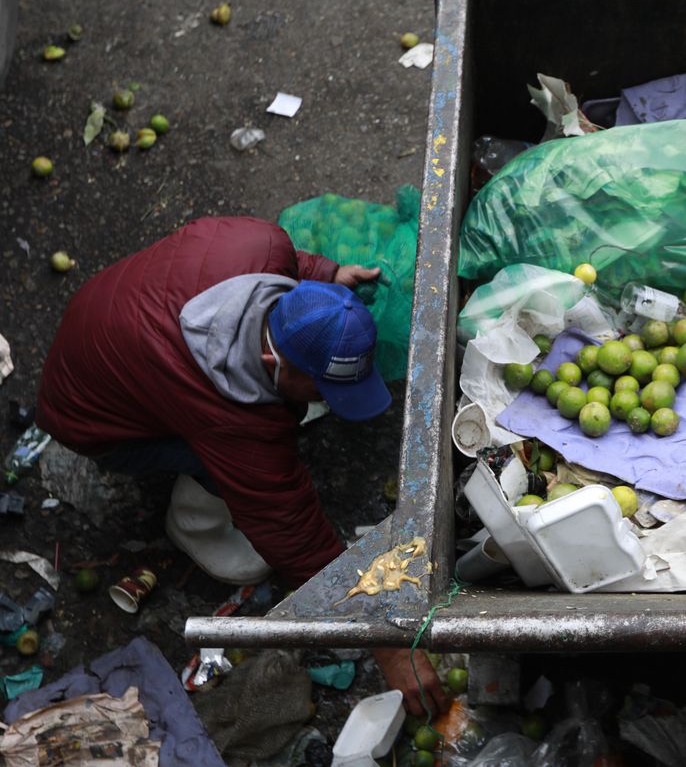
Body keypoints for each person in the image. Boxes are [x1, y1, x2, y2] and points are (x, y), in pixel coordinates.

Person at [36, 216, 445, 714]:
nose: (331, 401)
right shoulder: (233, 420)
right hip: (87, 416)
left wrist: (328, 277)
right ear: (275, 364)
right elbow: (290, 529)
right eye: (322, 387)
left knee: (270, 438)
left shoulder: (260, 243)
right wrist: (389, 643)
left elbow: (294, 270)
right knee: (242, 483)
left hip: (105, 315)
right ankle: (193, 522)